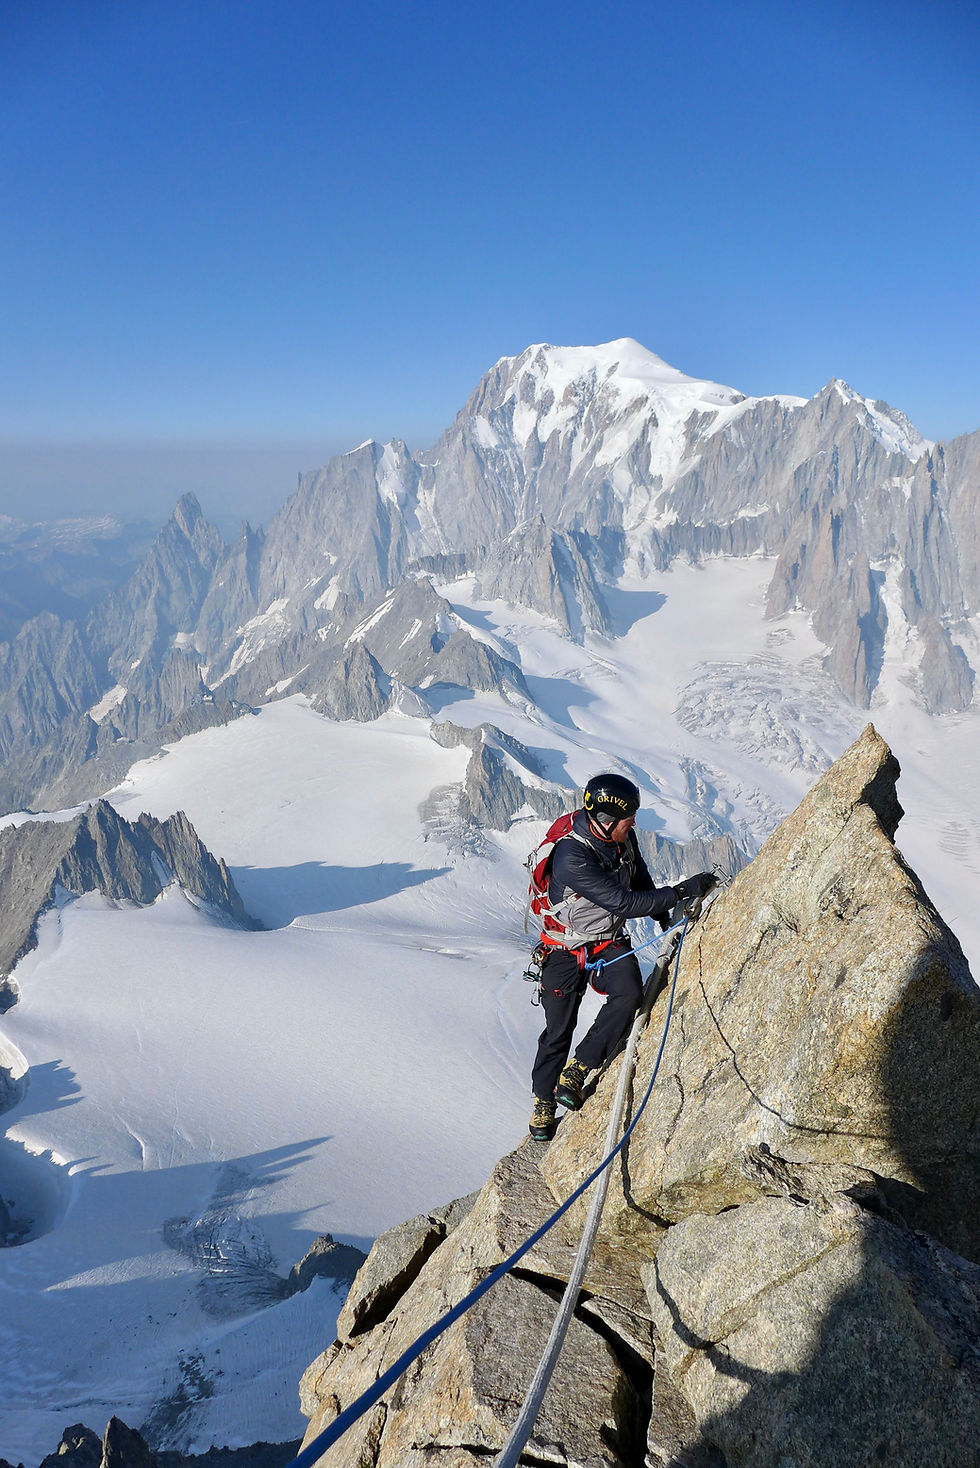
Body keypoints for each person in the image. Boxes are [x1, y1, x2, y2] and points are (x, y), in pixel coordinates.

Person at [528, 773, 716, 1141]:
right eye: (628, 819)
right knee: (557, 1029)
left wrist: (662, 914)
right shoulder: (572, 856)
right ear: (605, 819)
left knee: (629, 994)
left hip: (607, 940)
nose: (633, 825)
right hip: (563, 947)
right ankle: (543, 1101)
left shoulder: (620, 838)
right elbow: (623, 902)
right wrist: (680, 892)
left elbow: (639, 877)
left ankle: (580, 1067)